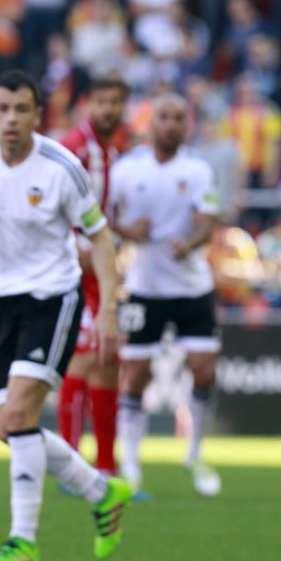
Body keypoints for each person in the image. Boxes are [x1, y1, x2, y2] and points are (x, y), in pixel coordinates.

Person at [0, 70, 132, 561]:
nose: (12, 119)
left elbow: (100, 238)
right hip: (2, 303)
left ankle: (23, 539)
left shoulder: (61, 167)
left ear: (39, 116)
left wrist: (107, 309)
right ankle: (102, 489)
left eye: (22, 109)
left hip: (53, 298)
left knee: (19, 417)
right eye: (3, 109)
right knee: (6, 427)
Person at [110, 93, 222, 498]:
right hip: (144, 287)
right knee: (135, 375)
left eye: (178, 117)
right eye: (163, 117)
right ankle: (132, 463)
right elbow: (104, 217)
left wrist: (189, 244)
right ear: (149, 122)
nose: (170, 124)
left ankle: (194, 452)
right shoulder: (127, 169)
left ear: (186, 124)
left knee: (203, 369)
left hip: (192, 286)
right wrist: (127, 232)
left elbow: (208, 222)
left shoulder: (197, 169)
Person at [57, 76, 130, 477]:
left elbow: (99, 212)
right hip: (76, 268)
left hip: (98, 267)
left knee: (107, 359)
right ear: (87, 104)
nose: (108, 109)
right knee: (84, 359)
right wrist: (76, 246)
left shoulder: (109, 150)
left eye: (115, 102)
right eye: (101, 101)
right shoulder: (76, 147)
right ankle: (71, 463)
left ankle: (105, 464)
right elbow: (54, 200)